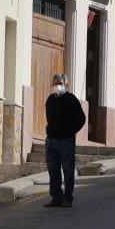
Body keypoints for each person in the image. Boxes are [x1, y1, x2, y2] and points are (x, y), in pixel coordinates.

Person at [44, 73, 86, 208]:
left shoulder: (71, 100)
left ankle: (68, 198)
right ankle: (56, 197)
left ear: (66, 85)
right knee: (53, 170)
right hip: (51, 140)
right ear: (52, 85)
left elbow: (81, 119)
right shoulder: (50, 100)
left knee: (68, 170)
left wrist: (70, 131)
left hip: (66, 141)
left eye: (60, 83)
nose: (58, 86)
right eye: (56, 83)